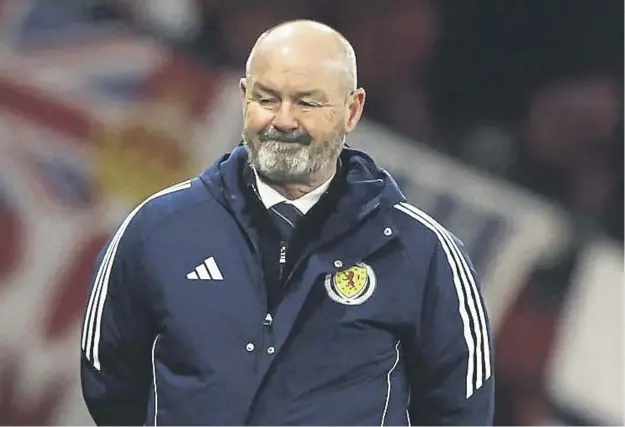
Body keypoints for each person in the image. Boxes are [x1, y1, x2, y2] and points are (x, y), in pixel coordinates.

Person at [80, 20, 494, 426]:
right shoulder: (160, 226)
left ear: (352, 111)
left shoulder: (426, 254)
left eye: (308, 102)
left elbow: (461, 412)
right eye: (267, 98)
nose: (283, 120)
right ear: (244, 98)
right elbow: (108, 378)